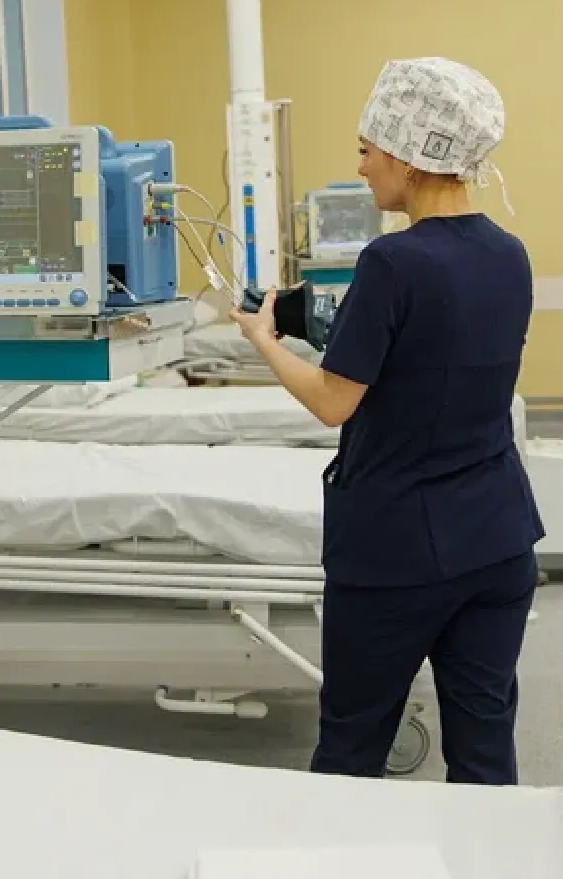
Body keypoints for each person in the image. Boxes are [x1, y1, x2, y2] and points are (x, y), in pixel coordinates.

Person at [230, 57, 542, 784]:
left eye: (368, 149)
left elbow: (332, 402)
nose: (361, 166)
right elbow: (436, 361)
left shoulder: (392, 262)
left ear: (410, 153)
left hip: (399, 552)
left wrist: (264, 341)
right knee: (485, 745)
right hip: (498, 539)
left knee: (352, 747)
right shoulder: (510, 255)